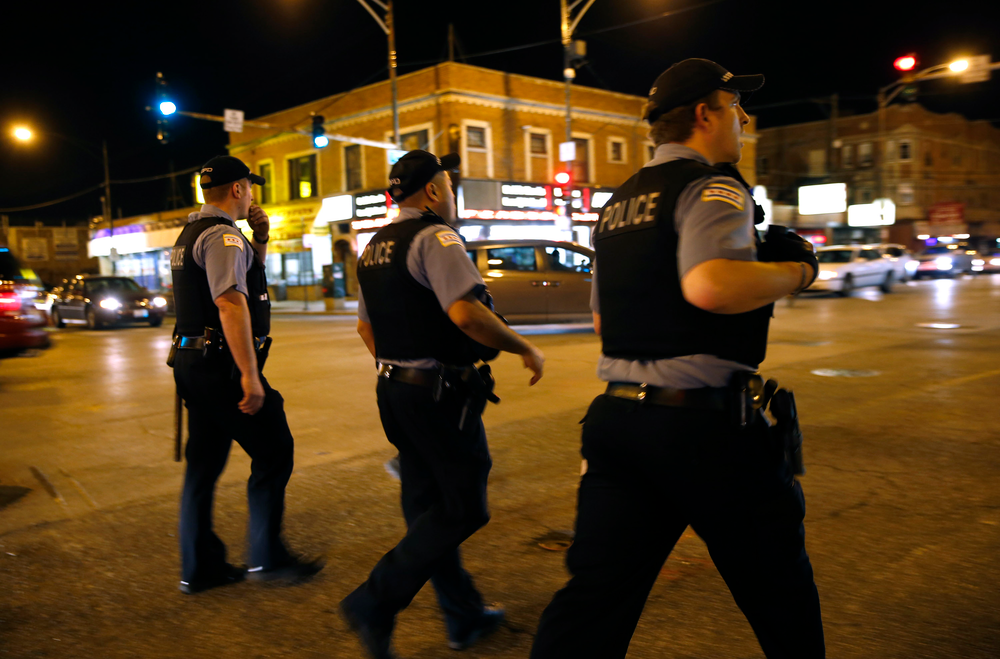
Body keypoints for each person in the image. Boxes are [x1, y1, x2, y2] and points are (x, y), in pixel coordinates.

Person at [530, 59, 825, 658]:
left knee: (595, 601)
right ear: (703, 114)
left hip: (618, 425)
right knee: (780, 593)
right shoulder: (713, 186)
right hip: (704, 429)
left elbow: (603, 321)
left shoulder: (617, 207)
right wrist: (800, 270)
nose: (744, 117)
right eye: (734, 105)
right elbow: (709, 287)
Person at [340, 150, 546, 658]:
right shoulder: (437, 237)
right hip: (437, 395)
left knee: (427, 510)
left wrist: (399, 369)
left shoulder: (373, 247)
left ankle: (463, 616)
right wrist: (523, 346)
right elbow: (466, 313)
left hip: (395, 390)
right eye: (449, 186)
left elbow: (365, 326)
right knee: (463, 506)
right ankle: (374, 599)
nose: (452, 196)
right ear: (432, 191)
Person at [170, 155, 323, 594]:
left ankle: (200, 568)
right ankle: (267, 557)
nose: (253, 194)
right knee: (275, 450)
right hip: (220, 367)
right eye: (249, 187)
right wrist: (250, 376)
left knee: (203, 466)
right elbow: (231, 303)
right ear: (237, 190)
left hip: (190, 364)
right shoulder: (222, 238)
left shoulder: (192, 233)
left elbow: (242, 276)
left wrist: (263, 238)